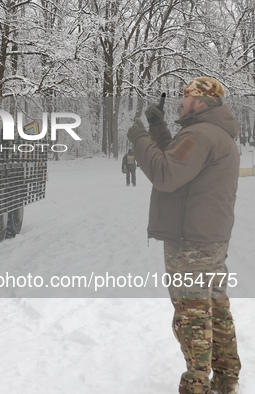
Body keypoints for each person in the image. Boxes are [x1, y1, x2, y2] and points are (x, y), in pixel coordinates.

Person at [127, 77, 241, 394]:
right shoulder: (211, 133)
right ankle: (227, 378)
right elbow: (178, 160)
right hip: (209, 239)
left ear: (201, 103)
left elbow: (166, 174)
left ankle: (196, 385)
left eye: (186, 97)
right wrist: (158, 128)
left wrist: (138, 139)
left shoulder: (200, 135)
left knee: (192, 315)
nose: (179, 101)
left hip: (190, 243)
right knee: (216, 310)